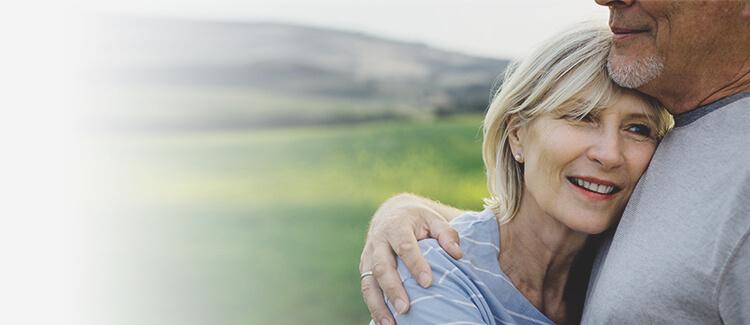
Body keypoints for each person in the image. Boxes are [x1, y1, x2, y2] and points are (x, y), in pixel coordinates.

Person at [360, 1, 750, 324]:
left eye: (638, 129)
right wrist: (402, 210)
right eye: (581, 117)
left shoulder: (596, 264)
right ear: (517, 135)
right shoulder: (432, 275)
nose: (609, 153)